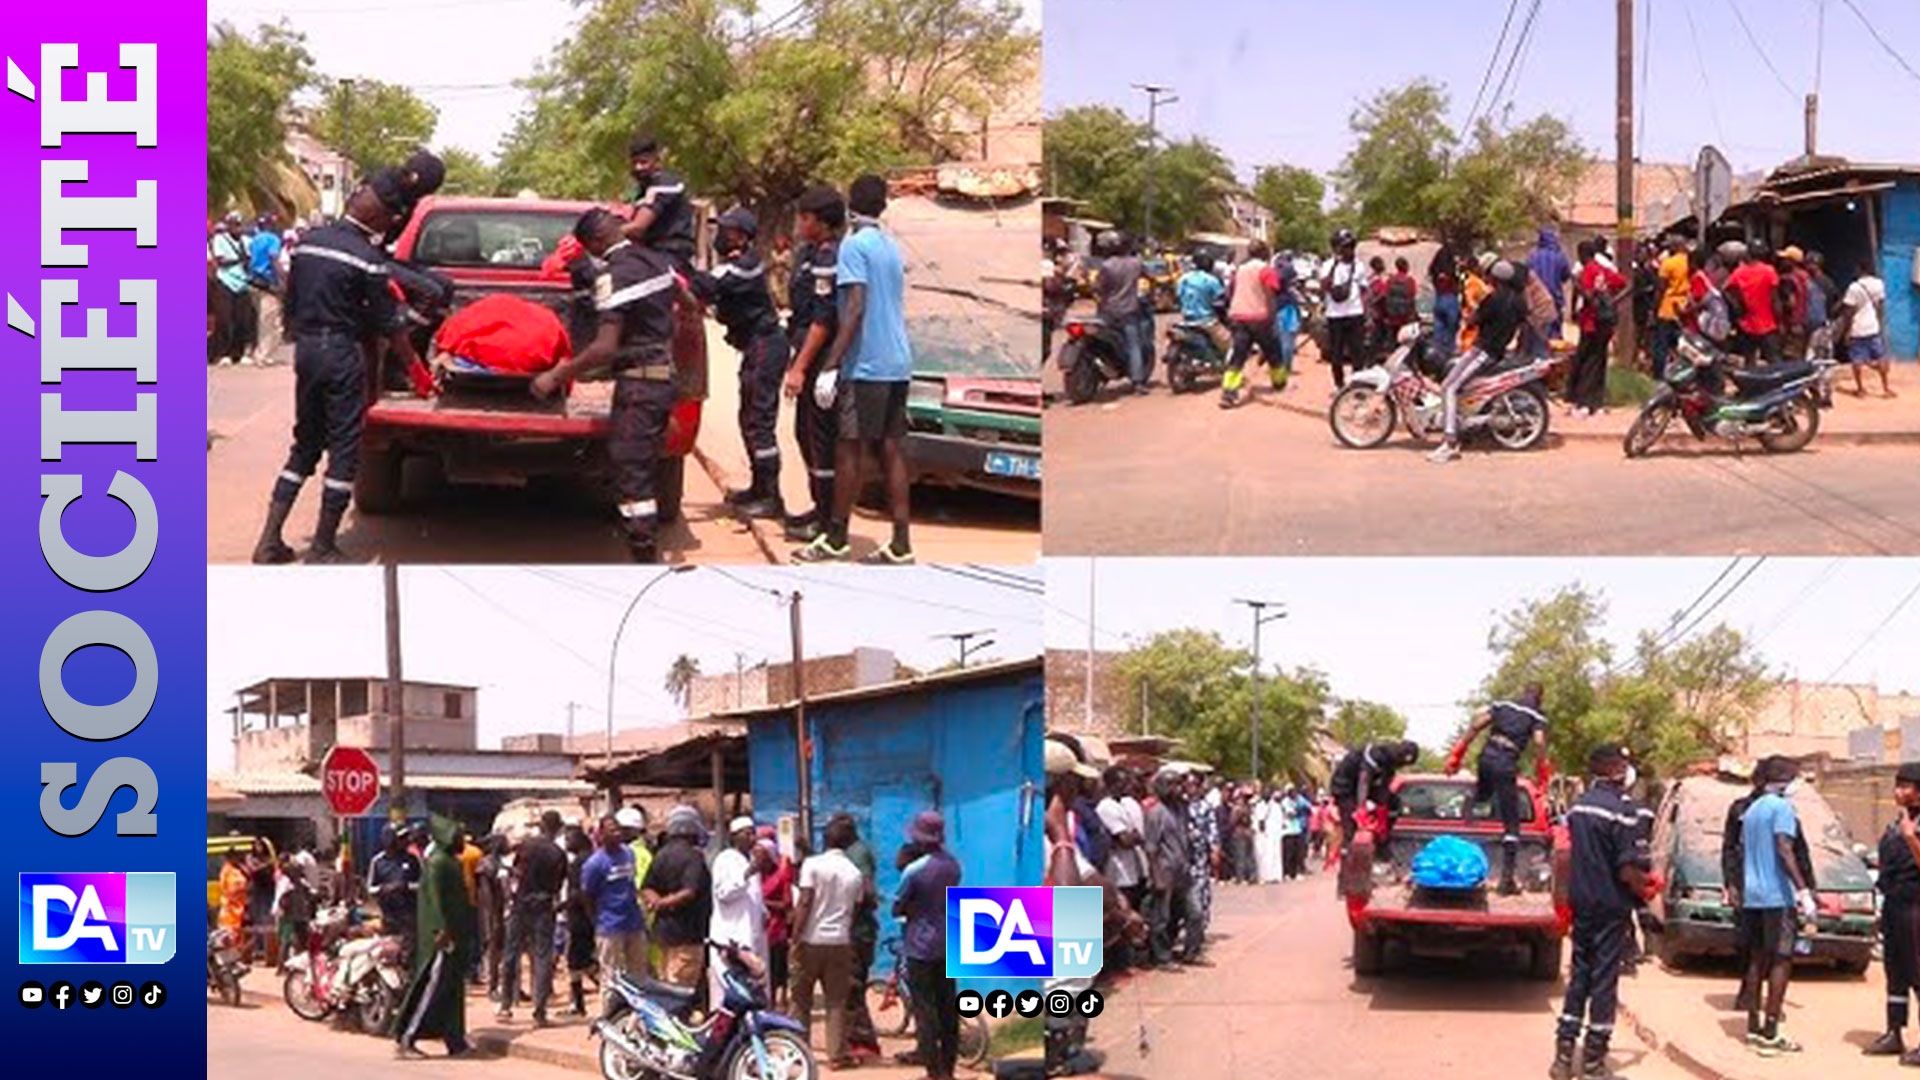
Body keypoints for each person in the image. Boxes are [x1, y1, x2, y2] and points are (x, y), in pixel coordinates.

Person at [251, 175, 428, 565]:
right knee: (345, 449)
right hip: (341, 354)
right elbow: (388, 324)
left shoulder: (308, 243)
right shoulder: (368, 259)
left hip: (307, 352)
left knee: (305, 446)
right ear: (381, 217)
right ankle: (324, 546)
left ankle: (269, 541)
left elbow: (292, 301)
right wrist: (416, 370)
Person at [532, 208, 686, 563]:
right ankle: (642, 544)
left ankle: (644, 558)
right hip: (662, 380)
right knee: (642, 465)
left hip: (640, 388)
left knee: (633, 475)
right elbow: (689, 305)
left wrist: (555, 376)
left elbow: (604, 347)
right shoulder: (657, 260)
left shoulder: (612, 277)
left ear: (596, 245)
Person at [793, 175, 917, 565]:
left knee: (848, 450)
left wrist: (831, 365)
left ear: (851, 206)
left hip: (867, 365)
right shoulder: (890, 247)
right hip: (899, 362)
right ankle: (900, 544)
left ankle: (836, 538)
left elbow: (855, 308)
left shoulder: (853, 248)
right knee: (892, 451)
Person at [1551, 745, 1652, 1080]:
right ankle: (1594, 1062)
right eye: (1624, 764)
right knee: (1604, 979)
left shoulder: (1579, 808)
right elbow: (1627, 869)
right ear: (1616, 770)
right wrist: (1646, 892)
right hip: (1611, 905)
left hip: (1582, 902)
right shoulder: (1624, 810)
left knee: (1580, 973)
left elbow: (1566, 856)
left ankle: (1563, 1058)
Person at [691, 208, 790, 520]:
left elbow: (705, 285)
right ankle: (758, 489)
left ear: (741, 236)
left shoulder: (743, 267)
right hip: (755, 347)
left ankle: (771, 497)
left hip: (765, 346)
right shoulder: (736, 264)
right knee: (748, 418)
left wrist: (677, 261)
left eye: (727, 230)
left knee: (759, 422)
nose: (720, 235)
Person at [1737, 756, 1814, 1056]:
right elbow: (1784, 849)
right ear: (1784, 779)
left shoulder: (1753, 810)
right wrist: (1803, 890)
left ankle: (1754, 1026)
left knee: (1757, 959)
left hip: (1753, 896)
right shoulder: (1782, 808)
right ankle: (1771, 1031)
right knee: (1782, 959)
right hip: (1777, 897)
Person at [782, 186, 846, 544]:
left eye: (805, 218)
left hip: (821, 357)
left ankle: (827, 521)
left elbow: (823, 320)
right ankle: (818, 507)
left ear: (821, 223)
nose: (799, 223)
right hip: (805, 347)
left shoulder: (829, 257)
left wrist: (800, 367)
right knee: (803, 434)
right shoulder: (809, 253)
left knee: (820, 439)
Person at [1450, 683, 1549, 895]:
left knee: (1484, 794)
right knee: (1511, 824)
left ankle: (1474, 799)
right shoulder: (1536, 714)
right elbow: (1539, 743)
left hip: (1486, 756)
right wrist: (1543, 769)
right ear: (1540, 698)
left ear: (1523, 692)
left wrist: (1457, 753)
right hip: (1506, 762)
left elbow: (1477, 724)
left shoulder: (1504, 704)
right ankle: (1506, 881)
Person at [1430, 259, 1527, 464]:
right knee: (1457, 381)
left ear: (1495, 279)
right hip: (1496, 351)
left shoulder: (1493, 299)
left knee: (1448, 387)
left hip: (1483, 352)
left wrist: (1471, 313)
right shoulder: (1519, 302)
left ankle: (1450, 442)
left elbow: (1474, 320)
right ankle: (1460, 426)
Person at [395, 817, 475, 1059]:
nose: (463, 841)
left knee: (453, 990)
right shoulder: (438, 863)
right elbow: (437, 900)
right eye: (459, 836)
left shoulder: (451, 862)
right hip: (443, 939)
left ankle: (455, 1039)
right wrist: (441, 929)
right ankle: (408, 1037)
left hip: (457, 935)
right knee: (433, 989)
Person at [793, 815, 868, 1069]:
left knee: (801, 998)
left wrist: (796, 937)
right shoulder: (855, 873)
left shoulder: (812, 865)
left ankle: (799, 1050)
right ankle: (836, 1055)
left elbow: (804, 902)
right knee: (836, 1001)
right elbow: (855, 909)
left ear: (824, 840)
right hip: (840, 942)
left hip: (810, 940)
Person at [895, 812, 963, 1080]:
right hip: (949, 941)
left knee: (925, 1010)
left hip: (920, 946)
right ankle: (949, 1068)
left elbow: (899, 905)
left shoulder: (915, 870)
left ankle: (934, 1073)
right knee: (948, 1007)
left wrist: (909, 908)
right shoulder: (953, 865)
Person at [1867, 763, 1920, 1062]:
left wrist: (1912, 838)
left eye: (1905, 786)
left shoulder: (1912, 827)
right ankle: (1894, 1032)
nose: (1898, 791)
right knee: (1896, 970)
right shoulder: (1897, 821)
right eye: (1897, 785)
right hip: (1895, 904)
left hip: (1916, 906)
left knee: (1918, 971)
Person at [499, 811, 568, 1024]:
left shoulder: (526, 847)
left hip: (521, 905)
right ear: (557, 828)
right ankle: (539, 1011)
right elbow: (558, 884)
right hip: (544, 907)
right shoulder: (558, 853)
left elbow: (517, 874)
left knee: (511, 954)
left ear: (541, 825)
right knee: (542, 957)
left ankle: (505, 1006)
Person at [641, 806, 711, 988]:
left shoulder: (661, 855)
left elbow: (647, 887)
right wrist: (664, 903)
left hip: (663, 933)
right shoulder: (693, 857)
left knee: (665, 982)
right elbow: (689, 891)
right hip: (687, 933)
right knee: (680, 987)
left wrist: (656, 902)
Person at [582, 814, 650, 988]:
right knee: (612, 977)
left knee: (639, 974)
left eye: (618, 829)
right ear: (602, 835)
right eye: (612, 830)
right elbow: (587, 896)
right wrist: (597, 922)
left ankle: (636, 1014)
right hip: (610, 925)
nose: (617, 833)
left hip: (634, 923)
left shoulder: (629, 854)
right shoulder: (595, 864)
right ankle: (610, 1013)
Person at [710, 816, 769, 1005]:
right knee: (729, 992)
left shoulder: (751, 860)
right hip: (730, 939)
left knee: (753, 990)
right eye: (747, 834)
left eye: (754, 833)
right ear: (734, 837)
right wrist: (747, 873)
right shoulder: (725, 860)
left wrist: (763, 911)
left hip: (753, 935)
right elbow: (723, 894)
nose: (753, 838)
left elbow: (754, 895)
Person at [1328, 740, 1421, 858]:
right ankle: (1348, 854)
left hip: (1366, 786)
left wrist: (1382, 810)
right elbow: (1364, 782)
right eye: (1404, 763)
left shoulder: (1390, 765)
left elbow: (1383, 789)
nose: (1402, 766)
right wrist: (1361, 807)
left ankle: (1381, 848)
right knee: (1351, 821)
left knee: (1393, 802)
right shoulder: (1375, 756)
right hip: (1345, 786)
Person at [1221, 241, 1286, 408]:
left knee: (1238, 357)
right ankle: (1279, 383)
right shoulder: (1266, 270)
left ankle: (1228, 393)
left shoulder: (1240, 270)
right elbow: (1270, 294)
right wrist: (1272, 316)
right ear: (1265, 253)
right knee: (1274, 353)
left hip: (1239, 317)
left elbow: (1231, 291)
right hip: (1259, 317)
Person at [1096, 767, 1149, 962]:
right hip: (1117, 870)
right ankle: (1116, 959)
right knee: (1118, 915)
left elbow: (1137, 835)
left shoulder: (1125, 804)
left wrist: (1133, 836)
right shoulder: (1106, 807)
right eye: (1121, 782)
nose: (1126, 785)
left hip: (1132, 868)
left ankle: (1128, 956)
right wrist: (1132, 836)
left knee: (1132, 912)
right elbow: (1125, 839)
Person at [620, 134, 696, 270]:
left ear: (657, 161)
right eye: (635, 163)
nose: (638, 168)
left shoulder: (665, 184)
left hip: (670, 253)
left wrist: (610, 232)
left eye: (644, 162)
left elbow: (638, 227)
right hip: (651, 252)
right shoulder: (642, 190)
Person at [1569, 241, 1625, 416]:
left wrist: (1578, 285)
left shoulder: (1588, 271)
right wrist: (1614, 302)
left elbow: (1587, 295)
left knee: (1586, 361)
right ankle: (1597, 402)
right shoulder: (1603, 269)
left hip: (1591, 322)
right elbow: (1625, 283)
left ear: (1582, 254)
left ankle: (1583, 402)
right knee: (1599, 361)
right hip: (1606, 322)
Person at [1142, 769, 1191, 968]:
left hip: (1182, 871)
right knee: (1160, 917)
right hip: (1164, 870)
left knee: (1184, 913)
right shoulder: (1156, 813)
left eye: (1179, 784)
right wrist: (1157, 876)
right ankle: (1161, 957)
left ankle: (1174, 950)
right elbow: (1151, 847)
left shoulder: (1180, 810)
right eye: (1172, 785)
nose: (1178, 789)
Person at [1093, 231, 1147, 394]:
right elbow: (1148, 277)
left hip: (1107, 310)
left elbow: (1098, 287)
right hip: (1129, 310)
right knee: (1134, 346)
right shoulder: (1136, 263)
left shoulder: (1107, 265)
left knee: (1101, 340)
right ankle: (1137, 382)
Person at [1839, 258, 1895, 397]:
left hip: (1858, 329)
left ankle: (1860, 389)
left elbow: (1849, 312)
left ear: (1860, 270)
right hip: (1873, 327)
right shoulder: (1879, 284)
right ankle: (1886, 388)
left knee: (1857, 360)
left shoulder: (1854, 287)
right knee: (1880, 357)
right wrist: (1880, 324)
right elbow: (1880, 307)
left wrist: (1846, 330)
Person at [1321, 229, 1368, 387]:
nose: (1349, 250)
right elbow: (1324, 286)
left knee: (1358, 353)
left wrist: (1365, 310)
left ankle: (1358, 385)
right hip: (1335, 315)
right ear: (1336, 248)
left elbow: (1364, 289)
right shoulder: (1327, 266)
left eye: (1351, 246)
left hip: (1355, 314)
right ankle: (1339, 385)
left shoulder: (1359, 266)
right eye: (1345, 246)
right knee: (1336, 353)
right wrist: (1335, 266)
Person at [209, 213, 257, 366]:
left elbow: (250, 259)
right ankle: (224, 353)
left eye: (239, 224)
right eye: (233, 224)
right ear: (228, 225)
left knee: (242, 320)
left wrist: (247, 263)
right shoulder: (220, 240)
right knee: (224, 319)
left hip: (242, 283)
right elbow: (221, 260)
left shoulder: (247, 241)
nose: (236, 227)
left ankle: (239, 352)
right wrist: (239, 259)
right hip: (226, 281)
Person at [369, 824, 422, 957]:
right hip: (388, 915)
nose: (406, 840)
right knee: (389, 952)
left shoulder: (412, 860)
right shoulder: (377, 861)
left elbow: (422, 885)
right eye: (401, 838)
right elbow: (370, 888)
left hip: (409, 915)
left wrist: (405, 886)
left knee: (409, 952)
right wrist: (383, 889)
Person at [1726, 242, 1783, 364]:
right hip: (1767, 324)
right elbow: (1775, 300)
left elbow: (1727, 290)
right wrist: (1780, 320)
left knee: (1750, 360)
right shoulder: (1769, 271)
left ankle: (1750, 382)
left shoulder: (1739, 272)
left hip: (1747, 324)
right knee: (1774, 360)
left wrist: (1738, 306)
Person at [562, 825, 598, 1016]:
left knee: (575, 962)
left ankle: (578, 1004)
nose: (567, 842)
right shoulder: (594, 857)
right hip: (590, 915)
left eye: (569, 839)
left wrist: (562, 906)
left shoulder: (579, 863)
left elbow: (579, 892)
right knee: (585, 958)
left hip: (580, 917)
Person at [760, 837, 796, 1010]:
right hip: (760, 928)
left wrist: (763, 902)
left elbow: (786, 904)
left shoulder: (781, 874)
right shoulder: (754, 875)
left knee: (777, 968)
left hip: (776, 928)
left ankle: (778, 1001)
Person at [1176, 251, 1231, 357]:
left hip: (1187, 319)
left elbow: (1178, 296)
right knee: (1230, 344)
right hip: (1206, 321)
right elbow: (1221, 298)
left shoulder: (1183, 278)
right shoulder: (1211, 280)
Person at [474, 835, 508, 1001]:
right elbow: (486, 894)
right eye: (504, 843)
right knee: (493, 950)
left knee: (503, 950)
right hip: (491, 913)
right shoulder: (485, 864)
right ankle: (492, 987)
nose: (507, 845)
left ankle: (507, 986)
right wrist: (493, 917)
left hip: (503, 911)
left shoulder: (502, 862)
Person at [248, 213, 285, 361]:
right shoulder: (273, 239)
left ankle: (264, 352)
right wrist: (282, 279)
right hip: (268, 282)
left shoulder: (254, 240)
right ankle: (262, 354)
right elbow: (273, 258)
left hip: (253, 281)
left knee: (263, 319)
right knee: (269, 320)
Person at [1653, 235, 1690, 378]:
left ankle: (1659, 375)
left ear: (1675, 246)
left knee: (1662, 345)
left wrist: (1655, 307)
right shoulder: (1690, 262)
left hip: (1667, 308)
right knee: (1683, 345)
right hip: (1684, 307)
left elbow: (1661, 288)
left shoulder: (1668, 263)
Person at [1527, 227, 1573, 331]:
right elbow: (1565, 276)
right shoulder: (1560, 256)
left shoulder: (1533, 256)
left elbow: (1527, 275)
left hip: (1537, 300)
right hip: (1555, 297)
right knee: (1554, 331)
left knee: (1536, 331)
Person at [1777, 247, 1813, 360]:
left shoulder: (1787, 279)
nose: (1781, 261)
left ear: (1792, 261)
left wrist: (1782, 322)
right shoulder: (1805, 276)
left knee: (1790, 356)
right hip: (1805, 320)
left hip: (1792, 323)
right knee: (1801, 354)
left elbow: (1790, 303)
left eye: (1785, 259)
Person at [1429, 244, 1462, 365]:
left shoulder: (1436, 272)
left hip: (1438, 300)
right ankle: (1448, 359)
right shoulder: (1451, 272)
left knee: (1439, 332)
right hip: (1450, 300)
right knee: (1451, 330)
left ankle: (1437, 359)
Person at [218, 847, 250, 956]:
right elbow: (232, 888)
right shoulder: (228, 871)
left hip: (237, 906)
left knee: (236, 933)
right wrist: (243, 887)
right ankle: (231, 956)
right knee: (230, 934)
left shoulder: (236, 869)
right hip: (231, 907)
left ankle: (236, 956)